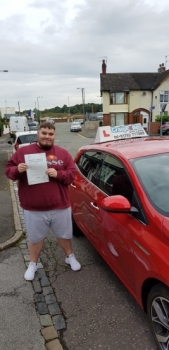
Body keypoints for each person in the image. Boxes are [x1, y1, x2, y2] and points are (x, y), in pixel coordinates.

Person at [5, 122, 81, 281]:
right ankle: (32, 264)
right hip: (33, 208)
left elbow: (72, 175)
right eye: (44, 133)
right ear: (38, 134)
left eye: (50, 134)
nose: (47, 136)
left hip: (60, 206)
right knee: (35, 238)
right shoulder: (24, 152)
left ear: (54, 135)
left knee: (65, 235)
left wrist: (58, 174)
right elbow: (9, 171)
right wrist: (17, 169)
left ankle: (70, 256)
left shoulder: (63, 153)